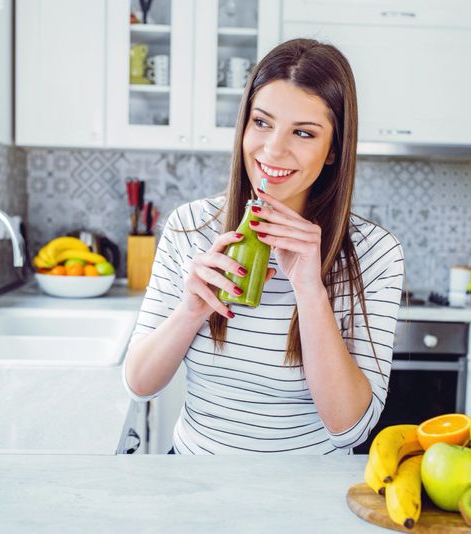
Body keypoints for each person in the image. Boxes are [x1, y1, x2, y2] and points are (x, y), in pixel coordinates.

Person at [123, 38, 404, 454]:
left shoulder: (375, 253)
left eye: (304, 133)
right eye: (262, 122)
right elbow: (140, 386)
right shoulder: (190, 229)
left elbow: (349, 429)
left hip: (304, 503)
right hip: (193, 487)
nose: (273, 149)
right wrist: (191, 310)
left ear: (333, 151)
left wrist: (310, 290)